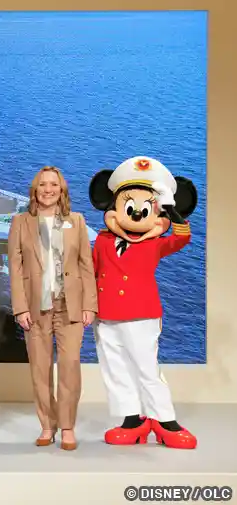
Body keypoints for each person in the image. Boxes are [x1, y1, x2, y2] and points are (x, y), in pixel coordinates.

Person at [88, 156, 198, 449]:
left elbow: (182, 237)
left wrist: (171, 209)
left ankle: (164, 420)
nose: (136, 214)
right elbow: (91, 270)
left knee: (146, 368)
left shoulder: (155, 243)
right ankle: (131, 418)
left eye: (146, 208)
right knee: (114, 368)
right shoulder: (101, 241)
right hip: (106, 314)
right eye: (129, 206)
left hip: (141, 314)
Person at [6, 166, 97, 451]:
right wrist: (20, 307)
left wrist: (89, 305)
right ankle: (47, 424)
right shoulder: (20, 221)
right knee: (39, 370)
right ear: (35, 189)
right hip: (35, 308)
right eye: (42, 184)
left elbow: (86, 266)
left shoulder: (77, 221)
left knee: (70, 368)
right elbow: (15, 267)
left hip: (69, 306)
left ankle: (67, 426)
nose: (48, 190)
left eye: (53, 185)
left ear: (62, 190)